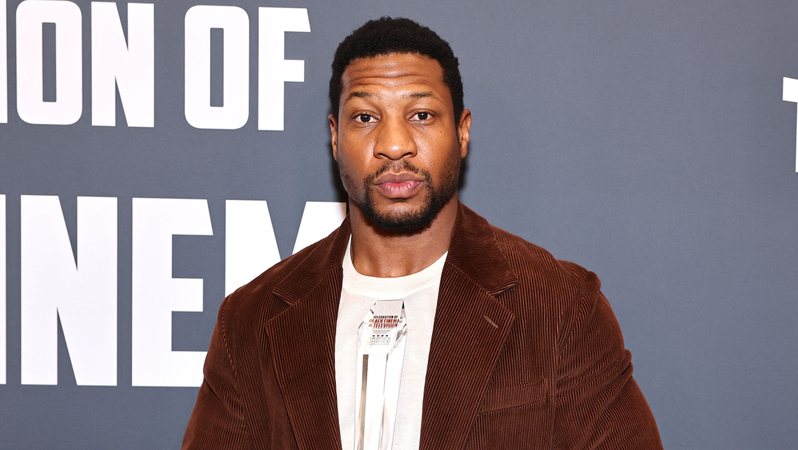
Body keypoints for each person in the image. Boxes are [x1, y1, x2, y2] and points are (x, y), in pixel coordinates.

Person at [182, 17, 662, 450]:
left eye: (422, 115)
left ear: (463, 131)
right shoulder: (252, 317)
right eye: (366, 117)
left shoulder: (559, 307)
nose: (394, 145)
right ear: (334, 137)